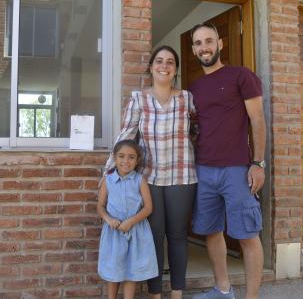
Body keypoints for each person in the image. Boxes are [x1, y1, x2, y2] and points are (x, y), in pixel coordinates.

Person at [104, 45, 197, 299]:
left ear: (175, 69)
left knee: (178, 235)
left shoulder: (187, 98)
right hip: (149, 178)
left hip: (182, 176)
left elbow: (200, 130)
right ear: (151, 67)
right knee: (153, 237)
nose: (164, 66)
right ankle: (156, 294)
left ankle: (177, 293)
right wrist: (109, 173)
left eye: (170, 62)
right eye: (159, 61)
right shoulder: (138, 99)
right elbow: (125, 135)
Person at [189, 23, 266, 299]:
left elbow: (257, 119)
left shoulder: (241, 76)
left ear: (220, 43)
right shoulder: (194, 87)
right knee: (211, 231)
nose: (204, 47)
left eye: (209, 41)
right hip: (204, 169)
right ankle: (223, 290)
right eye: (198, 43)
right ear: (194, 49)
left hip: (237, 169)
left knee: (247, 235)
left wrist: (258, 163)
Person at [97, 139, 158, 299]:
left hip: (135, 231)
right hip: (114, 232)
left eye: (131, 157)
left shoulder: (140, 181)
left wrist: (131, 221)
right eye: (121, 156)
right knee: (114, 269)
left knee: (131, 270)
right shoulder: (107, 181)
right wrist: (109, 220)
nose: (126, 161)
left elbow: (148, 208)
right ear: (114, 158)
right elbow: (100, 206)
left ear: (137, 160)